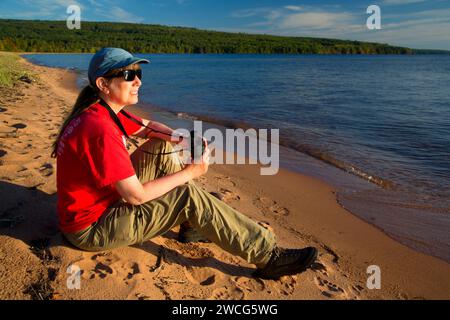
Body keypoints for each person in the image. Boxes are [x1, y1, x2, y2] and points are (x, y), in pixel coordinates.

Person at [51, 47, 318, 280]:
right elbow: (135, 196)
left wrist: (181, 137)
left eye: (139, 75)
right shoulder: (99, 128)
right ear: (103, 84)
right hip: (91, 229)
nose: (138, 82)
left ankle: (191, 224)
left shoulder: (101, 112)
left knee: (161, 145)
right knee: (186, 194)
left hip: (98, 206)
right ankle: (268, 255)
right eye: (129, 76)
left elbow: (147, 128)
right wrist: (191, 171)